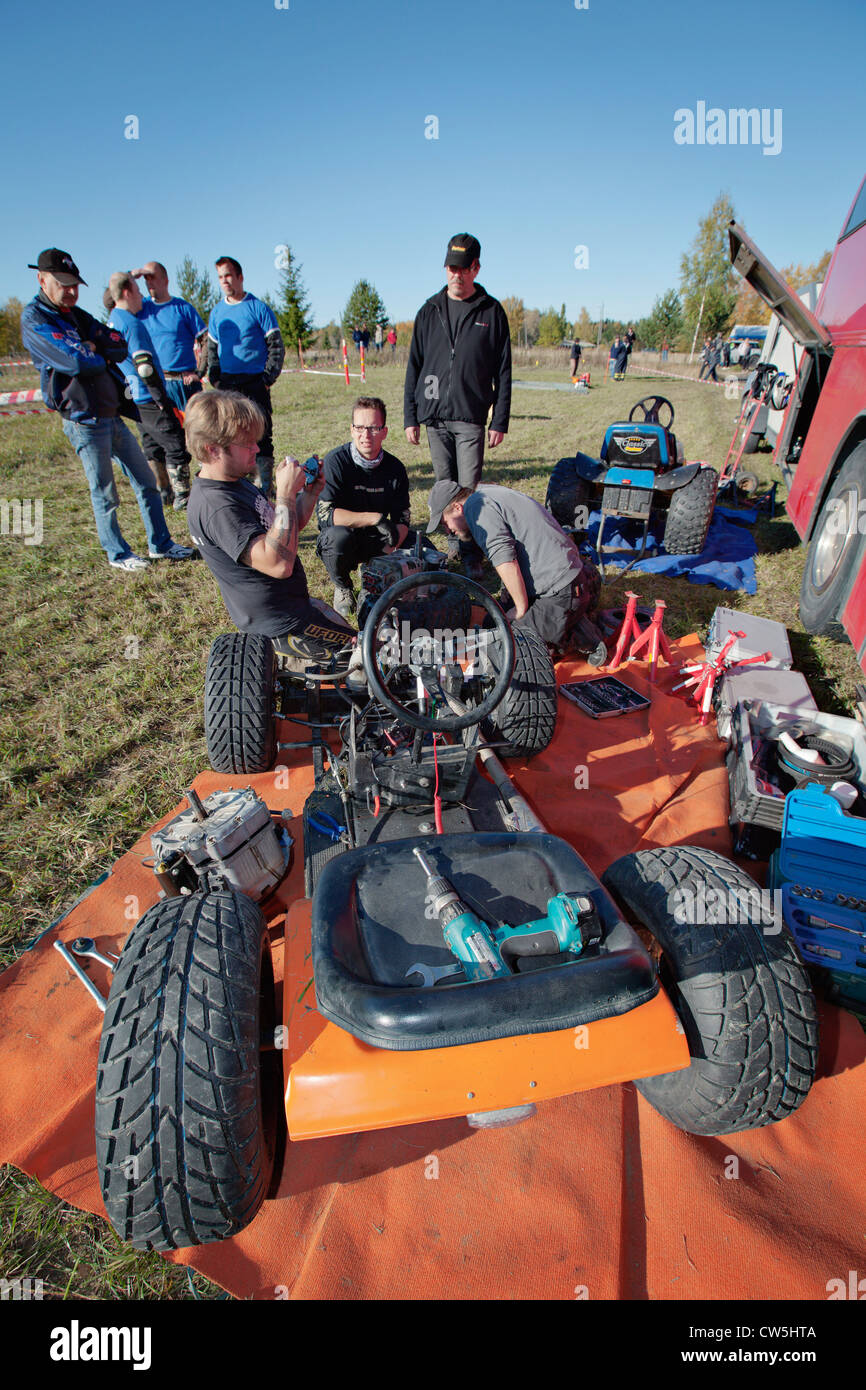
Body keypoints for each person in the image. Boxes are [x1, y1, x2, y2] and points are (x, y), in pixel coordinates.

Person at [20, 248, 193, 571]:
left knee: (146, 480)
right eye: (64, 284)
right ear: (42, 279)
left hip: (111, 414)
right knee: (105, 492)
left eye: (75, 285)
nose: (71, 292)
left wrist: (94, 347)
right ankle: (118, 553)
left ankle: (161, 544)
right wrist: (93, 352)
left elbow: (116, 342)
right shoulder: (35, 319)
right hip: (83, 419)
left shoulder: (75, 315)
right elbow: (74, 361)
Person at [185, 390, 357, 667]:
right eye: (247, 444)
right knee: (369, 662)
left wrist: (310, 494)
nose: (256, 449)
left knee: (367, 648)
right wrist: (286, 494)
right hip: (281, 629)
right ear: (212, 449)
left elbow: (283, 532)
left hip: (295, 610)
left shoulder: (233, 480)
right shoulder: (218, 506)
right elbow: (278, 563)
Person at [404, 233, 511, 572]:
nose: (457, 275)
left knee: (469, 492)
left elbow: (504, 370)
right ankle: (454, 547)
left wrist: (500, 420)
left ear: (476, 268)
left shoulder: (491, 312)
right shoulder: (429, 310)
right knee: (444, 486)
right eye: (452, 267)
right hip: (434, 417)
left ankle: (472, 553)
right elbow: (414, 367)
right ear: (445, 267)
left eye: (464, 269)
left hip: (470, 417)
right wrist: (411, 416)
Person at [427, 478, 604, 660]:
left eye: (445, 523)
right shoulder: (488, 493)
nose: (448, 531)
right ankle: (570, 620)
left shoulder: (476, 508)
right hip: (566, 578)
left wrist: (519, 608)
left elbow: (504, 557)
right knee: (493, 622)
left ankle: (578, 635)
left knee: (508, 650)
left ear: (457, 508)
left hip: (561, 589)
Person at [316, 396, 411, 618]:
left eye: (373, 428)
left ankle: (375, 575)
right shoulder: (335, 462)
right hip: (344, 537)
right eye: (359, 427)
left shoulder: (395, 468)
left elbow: (402, 518)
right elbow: (326, 516)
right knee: (336, 538)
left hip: (379, 539)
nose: (365, 435)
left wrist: (394, 544)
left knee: (420, 546)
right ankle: (343, 587)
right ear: (351, 430)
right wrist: (374, 518)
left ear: (385, 432)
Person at [107, 271, 193, 510]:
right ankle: (183, 495)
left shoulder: (113, 319)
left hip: (134, 397)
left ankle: (162, 491)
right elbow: (144, 366)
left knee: (151, 444)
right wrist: (161, 398)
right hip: (148, 395)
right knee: (175, 441)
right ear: (127, 293)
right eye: (137, 289)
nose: (141, 295)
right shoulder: (131, 323)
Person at [206, 256, 285, 497]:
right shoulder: (217, 313)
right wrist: (216, 378)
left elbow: (276, 346)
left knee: (261, 433)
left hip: (255, 383)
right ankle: (235, 482)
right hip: (228, 385)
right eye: (220, 277)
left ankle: (264, 485)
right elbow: (211, 350)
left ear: (240, 277)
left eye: (228, 275)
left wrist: (266, 378)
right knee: (229, 433)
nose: (225, 281)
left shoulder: (258, 308)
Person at [129, 261, 206, 412]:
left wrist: (200, 372)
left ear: (165, 280)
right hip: (155, 384)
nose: (148, 282)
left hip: (184, 384)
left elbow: (206, 340)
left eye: (152, 277)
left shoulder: (183, 308)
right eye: (145, 278)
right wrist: (130, 276)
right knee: (167, 434)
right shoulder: (141, 308)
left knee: (196, 433)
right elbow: (113, 299)